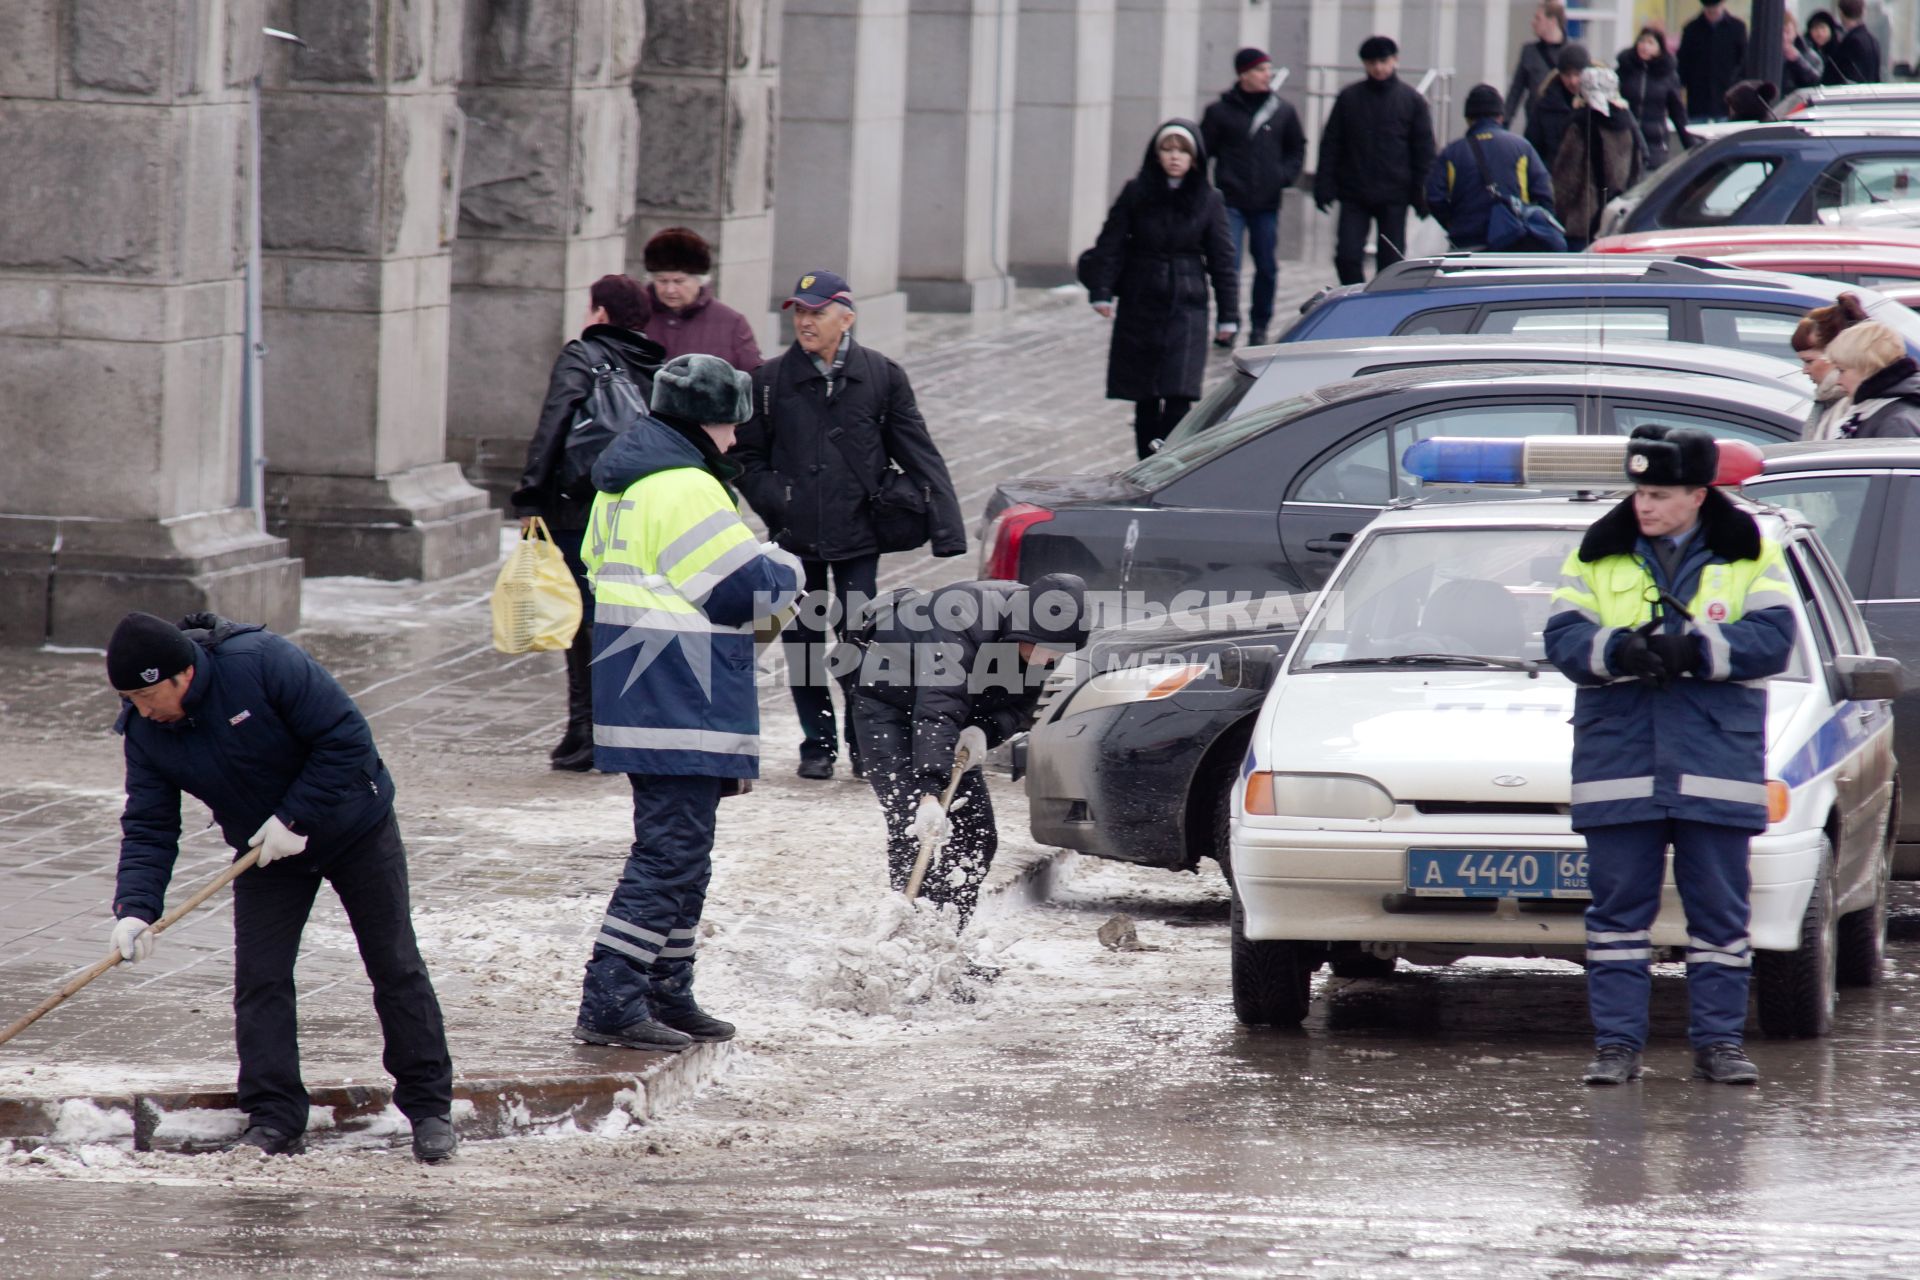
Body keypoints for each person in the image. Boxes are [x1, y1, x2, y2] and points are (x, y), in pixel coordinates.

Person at [105, 612, 457, 1161]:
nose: (141, 709)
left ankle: (430, 1109)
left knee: (393, 962)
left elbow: (346, 737)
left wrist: (295, 817)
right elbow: (150, 824)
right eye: (129, 698)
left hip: (354, 826)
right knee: (260, 979)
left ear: (183, 675)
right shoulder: (146, 731)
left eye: (147, 695)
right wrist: (135, 908)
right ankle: (274, 1117)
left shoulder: (263, 663)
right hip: (265, 855)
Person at [1544, 425, 1797, 1087]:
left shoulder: (1749, 552)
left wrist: (1696, 650)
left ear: (1696, 494)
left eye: (1658, 494)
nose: (1643, 506)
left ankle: (1718, 1046)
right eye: (1638, 493)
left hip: (1714, 758)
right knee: (1617, 919)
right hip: (1620, 760)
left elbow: (1773, 639)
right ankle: (1617, 1049)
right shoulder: (1599, 554)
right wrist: (1618, 650)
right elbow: (1563, 636)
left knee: (1719, 915)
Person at [573, 354, 803, 1052]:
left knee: (685, 851)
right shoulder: (684, 487)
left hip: (646, 690)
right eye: (731, 427)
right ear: (707, 423)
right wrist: (785, 564)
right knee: (669, 853)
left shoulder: (624, 483)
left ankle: (665, 985)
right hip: (681, 694)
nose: (735, 441)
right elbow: (744, 590)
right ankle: (612, 996)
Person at [732, 271, 968, 780]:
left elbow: (919, 452)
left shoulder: (881, 375)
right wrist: (778, 499)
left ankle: (864, 745)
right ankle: (817, 744)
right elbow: (746, 458)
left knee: (859, 645)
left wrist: (948, 530)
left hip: (859, 537)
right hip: (795, 541)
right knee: (803, 645)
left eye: (816, 312)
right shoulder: (768, 381)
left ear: (846, 317)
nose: (804, 321)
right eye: (799, 311)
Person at [850, 573, 1089, 929]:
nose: (1050, 659)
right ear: (1023, 631)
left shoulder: (1037, 639)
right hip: (889, 708)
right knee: (916, 831)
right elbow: (939, 705)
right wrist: (930, 793)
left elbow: (1022, 707)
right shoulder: (963, 618)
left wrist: (984, 730)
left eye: (1058, 653)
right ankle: (909, 943)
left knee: (975, 832)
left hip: (950, 717)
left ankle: (948, 940)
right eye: (1046, 650)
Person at [513, 275, 665, 773]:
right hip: (635, 509)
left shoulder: (582, 355)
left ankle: (586, 732)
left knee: (581, 619)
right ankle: (614, 728)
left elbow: (555, 421)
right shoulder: (657, 363)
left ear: (600, 313)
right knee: (621, 614)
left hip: (579, 507)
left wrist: (531, 494)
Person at [1084, 122, 1239, 457]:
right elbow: (1110, 243)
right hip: (1140, 301)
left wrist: (1229, 316)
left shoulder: (1209, 200)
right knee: (1146, 397)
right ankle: (1145, 464)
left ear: (1195, 158)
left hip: (1187, 304)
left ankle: (1168, 464)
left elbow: (1223, 260)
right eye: (1167, 149)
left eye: (1182, 150)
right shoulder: (1135, 192)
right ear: (1156, 155)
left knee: (1179, 395)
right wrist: (1101, 290)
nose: (1174, 157)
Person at [1200, 47, 1306, 346]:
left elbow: (1296, 148)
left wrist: (1282, 177)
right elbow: (1202, 152)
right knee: (1227, 264)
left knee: (1267, 266)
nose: (1267, 75)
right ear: (1243, 74)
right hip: (1229, 201)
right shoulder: (1219, 112)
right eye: (1260, 70)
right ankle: (1228, 322)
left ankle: (1260, 326)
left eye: (1268, 69)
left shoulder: (1282, 111)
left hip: (1266, 203)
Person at [1313, 37, 1436, 287]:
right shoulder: (1349, 98)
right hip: (1354, 192)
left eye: (1383, 61)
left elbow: (1423, 152)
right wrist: (1323, 183)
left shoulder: (1411, 100)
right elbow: (1331, 144)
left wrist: (1422, 194)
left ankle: (1382, 305)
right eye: (1372, 62)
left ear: (1395, 61)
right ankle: (1357, 298)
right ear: (1364, 64)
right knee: (1347, 256)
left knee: (1391, 262)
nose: (1378, 68)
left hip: (1394, 194)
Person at [1426, 85, 1558, 251]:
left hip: (1467, 243)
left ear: (1468, 118)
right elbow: (1545, 194)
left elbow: (1433, 197)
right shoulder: (1522, 147)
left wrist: (1454, 223)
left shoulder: (1452, 153)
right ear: (1500, 117)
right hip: (1514, 240)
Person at [636, 227, 763, 370]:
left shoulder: (732, 324)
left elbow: (754, 378)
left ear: (699, 280)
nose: (670, 290)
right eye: (662, 281)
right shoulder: (636, 317)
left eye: (679, 281)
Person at [1552, 67, 1644, 251]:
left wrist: (1559, 214)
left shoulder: (1580, 125)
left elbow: (1566, 179)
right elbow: (1637, 170)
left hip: (1582, 223)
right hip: (1616, 220)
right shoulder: (1628, 124)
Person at [1791, 293, 1871, 439]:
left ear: (1836, 356)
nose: (1805, 370)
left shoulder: (1852, 407)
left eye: (1809, 361)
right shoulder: (1828, 402)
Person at [1828, 321, 1920, 438]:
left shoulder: (1896, 422)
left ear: (1867, 367)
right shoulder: (1880, 412)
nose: (1838, 381)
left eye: (1841, 370)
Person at [1617, 28, 1691, 170]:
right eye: (1642, 41)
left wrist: (1691, 143)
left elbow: (1678, 113)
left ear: (1659, 48)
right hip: (1626, 141)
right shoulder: (1624, 70)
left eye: (1650, 43)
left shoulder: (1668, 75)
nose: (1645, 46)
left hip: (1654, 144)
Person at [1505, 3, 1569, 143]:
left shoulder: (1572, 53)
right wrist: (1504, 124)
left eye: (1538, 19)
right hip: (1536, 129)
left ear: (1552, 21)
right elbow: (1516, 91)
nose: (1533, 23)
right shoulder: (1529, 52)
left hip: (1565, 129)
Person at [1677, 0, 1748, 123]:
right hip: (1698, 101)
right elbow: (1683, 64)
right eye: (1709, 10)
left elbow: (1744, 62)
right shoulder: (1691, 29)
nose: (1712, 13)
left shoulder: (1737, 28)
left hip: (1727, 99)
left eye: (1715, 9)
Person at [1526, 44, 1589, 178]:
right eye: (1567, 75)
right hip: (1555, 180)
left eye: (1578, 74)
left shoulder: (1603, 102)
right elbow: (1532, 148)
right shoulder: (1545, 105)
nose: (1573, 81)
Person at [1828, 0, 1883, 85]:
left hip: (1854, 94)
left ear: (1841, 14)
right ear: (1863, 13)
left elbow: (1844, 76)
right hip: (1871, 94)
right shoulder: (1872, 40)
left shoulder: (1851, 42)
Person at [1781, 11, 1827, 93]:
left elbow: (1816, 82)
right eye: (1780, 33)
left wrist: (1798, 60)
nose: (1784, 37)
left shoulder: (1810, 56)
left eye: (1787, 32)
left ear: (1795, 32)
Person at [1808, 9, 1844, 83]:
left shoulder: (1839, 51)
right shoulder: (1807, 51)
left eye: (1823, 28)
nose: (1819, 33)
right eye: (1815, 28)